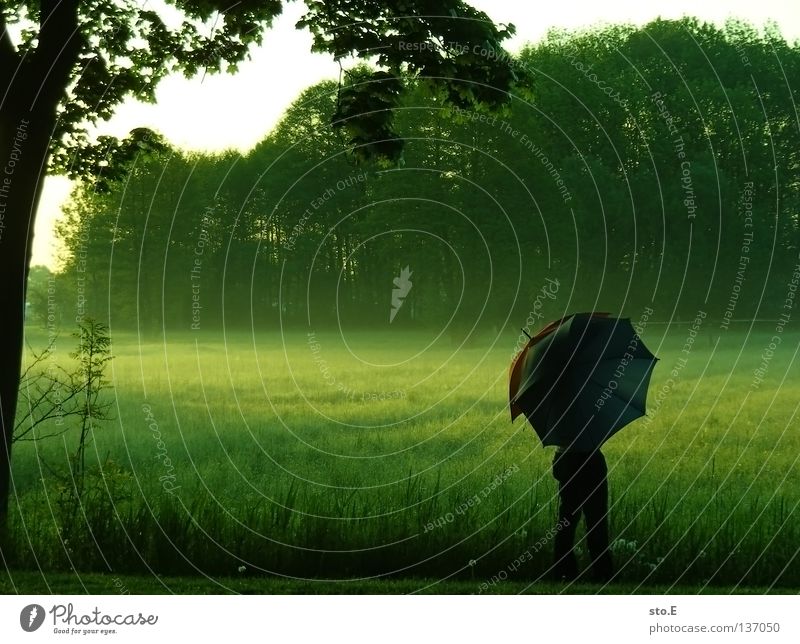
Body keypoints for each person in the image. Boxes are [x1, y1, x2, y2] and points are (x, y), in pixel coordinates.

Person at [551, 446, 613, 582]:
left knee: (566, 521)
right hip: (591, 459)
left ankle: (564, 572)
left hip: (565, 457)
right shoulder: (592, 424)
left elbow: (557, 472)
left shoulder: (560, 424)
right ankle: (603, 573)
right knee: (596, 521)